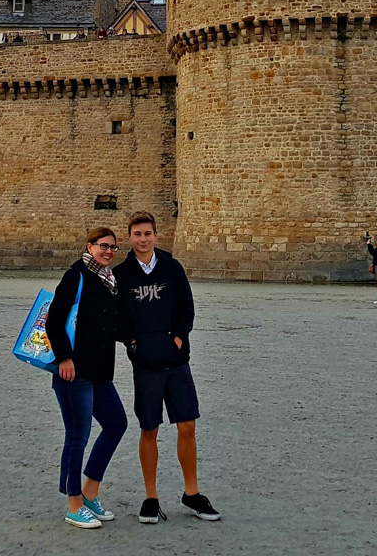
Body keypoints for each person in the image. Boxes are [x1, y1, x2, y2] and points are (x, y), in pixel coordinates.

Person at [119, 212, 220, 525]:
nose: (143, 239)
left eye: (148, 233)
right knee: (149, 429)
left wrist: (178, 339)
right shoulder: (122, 275)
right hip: (146, 363)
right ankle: (151, 497)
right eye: (137, 234)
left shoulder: (172, 268)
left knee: (187, 424)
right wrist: (134, 344)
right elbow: (118, 317)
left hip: (176, 361)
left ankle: (191, 492)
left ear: (155, 235)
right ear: (130, 237)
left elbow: (186, 308)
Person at [44, 226, 130, 530]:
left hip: (100, 372)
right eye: (102, 246)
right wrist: (64, 358)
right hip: (74, 372)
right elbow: (54, 320)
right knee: (78, 436)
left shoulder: (110, 281)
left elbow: (111, 326)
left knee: (117, 423)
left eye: (112, 247)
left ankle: (90, 492)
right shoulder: (76, 276)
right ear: (89, 246)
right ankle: (74, 504)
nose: (108, 251)